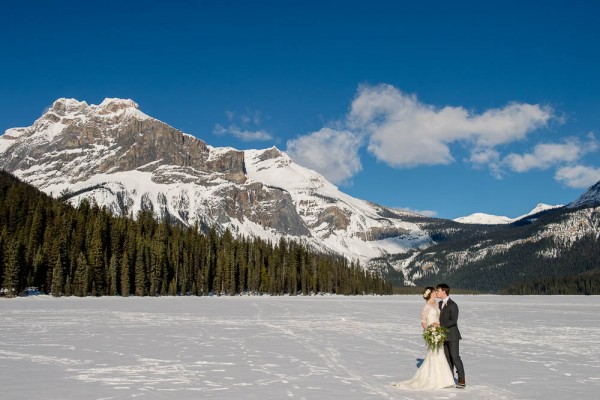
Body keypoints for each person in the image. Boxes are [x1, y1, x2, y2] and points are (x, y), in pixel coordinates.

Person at [392, 287, 455, 390]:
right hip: (432, 332)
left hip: (439, 332)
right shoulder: (426, 306)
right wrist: (430, 331)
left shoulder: (437, 304)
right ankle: (434, 380)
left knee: (440, 353)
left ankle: (444, 380)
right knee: (433, 354)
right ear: (430, 294)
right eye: (434, 291)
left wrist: (439, 328)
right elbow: (423, 322)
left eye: (436, 291)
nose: (436, 292)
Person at [436, 283, 466, 388]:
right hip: (443, 336)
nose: (437, 292)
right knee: (447, 358)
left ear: (444, 291)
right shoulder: (439, 304)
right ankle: (449, 379)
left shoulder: (453, 305)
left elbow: (454, 320)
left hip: (452, 336)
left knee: (455, 357)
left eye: (438, 290)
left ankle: (461, 379)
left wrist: (441, 326)